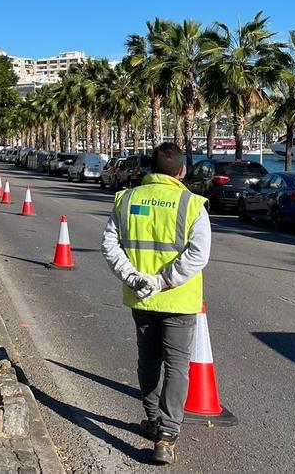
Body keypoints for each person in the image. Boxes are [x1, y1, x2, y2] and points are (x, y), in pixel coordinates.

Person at [101, 142, 210, 465]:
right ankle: (166, 434)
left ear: (149, 169)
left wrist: (134, 277)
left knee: (148, 361)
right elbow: (198, 254)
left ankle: (152, 420)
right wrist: (163, 280)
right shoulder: (191, 204)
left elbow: (109, 244)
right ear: (181, 172)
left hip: (141, 298)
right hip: (178, 298)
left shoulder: (127, 198)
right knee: (177, 366)